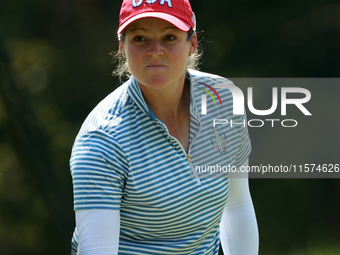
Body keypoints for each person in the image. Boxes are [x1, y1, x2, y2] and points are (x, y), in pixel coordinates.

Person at [70, 0, 259, 254]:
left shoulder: (224, 101)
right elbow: (97, 249)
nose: (155, 50)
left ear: (192, 44)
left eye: (169, 37)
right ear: (122, 47)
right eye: (140, 39)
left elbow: (237, 206)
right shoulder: (102, 140)